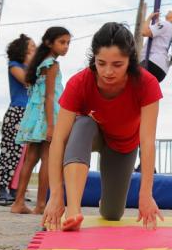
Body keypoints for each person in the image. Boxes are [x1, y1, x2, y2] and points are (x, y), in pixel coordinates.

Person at [43, 22, 164, 231]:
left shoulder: (147, 83)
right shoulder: (79, 83)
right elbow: (59, 140)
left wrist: (146, 194)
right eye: (101, 63)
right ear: (94, 59)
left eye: (117, 64)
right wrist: (55, 195)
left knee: (112, 214)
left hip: (123, 144)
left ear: (130, 61)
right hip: (94, 133)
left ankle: (106, 202)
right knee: (82, 122)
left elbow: (147, 141)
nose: (108, 71)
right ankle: (73, 211)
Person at [11, 26, 71, 215]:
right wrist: (52, 125)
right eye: (62, 42)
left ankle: (18, 202)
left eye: (68, 43)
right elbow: (49, 96)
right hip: (47, 116)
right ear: (48, 43)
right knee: (48, 159)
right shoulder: (51, 64)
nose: (66, 46)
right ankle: (41, 205)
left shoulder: (39, 63)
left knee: (30, 158)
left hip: (34, 115)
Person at [0, 34, 35, 203]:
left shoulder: (34, 68)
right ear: (23, 49)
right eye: (31, 46)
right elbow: (27, 81)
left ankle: (16, 189)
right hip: (17, 111)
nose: (35, 49)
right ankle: (2, 187)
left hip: (30, 113)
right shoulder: (14, 65)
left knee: (25, 154)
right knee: (10, 151)